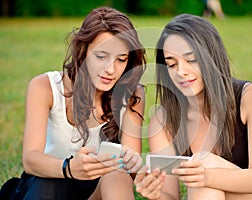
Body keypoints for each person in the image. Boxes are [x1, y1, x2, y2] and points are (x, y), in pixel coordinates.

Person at [134, 14, 252, 200]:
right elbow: (171, 197)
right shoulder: (164, 120)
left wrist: (206, 175)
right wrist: (156, 194)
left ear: (211, 55)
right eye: (172, 64)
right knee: (205, 181)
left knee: (204, 163)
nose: (181, 72)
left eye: (191, 60)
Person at [0, 7, 146, 200]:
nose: (111, 69)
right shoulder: (45, 87)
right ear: (83, 50)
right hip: (51, 179)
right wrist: (70, 168)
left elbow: (130, 169)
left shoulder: (132, 93)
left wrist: (132, 162)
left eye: (121, 59)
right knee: (47, 184)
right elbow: (30, 159)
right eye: (101, 56)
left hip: (97, 190)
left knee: (117, 176)